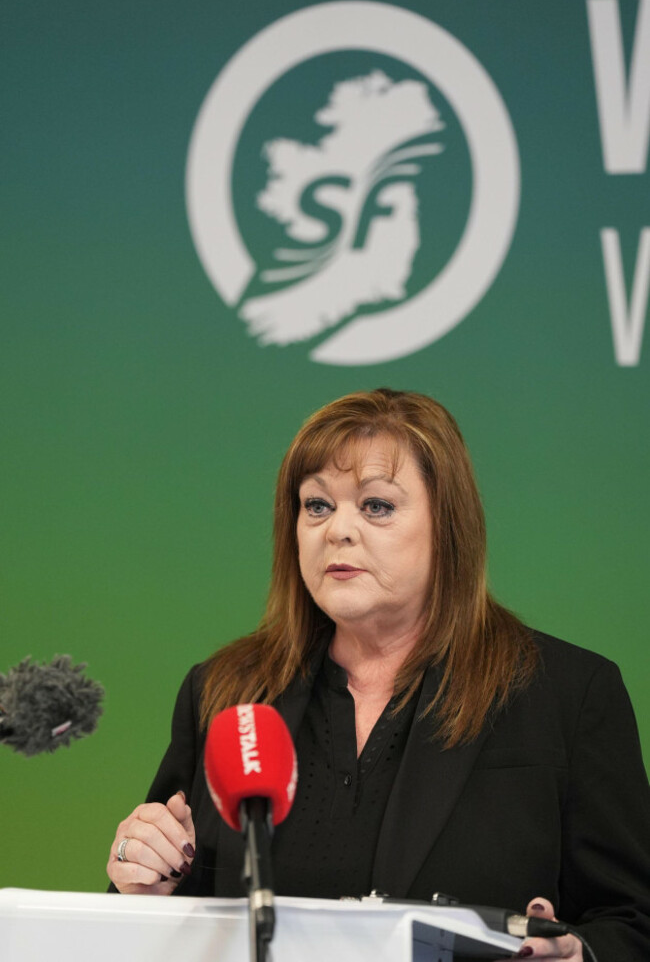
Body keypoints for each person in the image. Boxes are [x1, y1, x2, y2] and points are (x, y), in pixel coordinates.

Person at [107, 388, 650, 961]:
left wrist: (580, 954)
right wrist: (140, 884)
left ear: (448, 525)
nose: (337, 530)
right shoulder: (225, 693)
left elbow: (635, 920)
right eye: (316, 505)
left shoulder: (567, 694)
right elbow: (159, 913)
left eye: (376, 506)